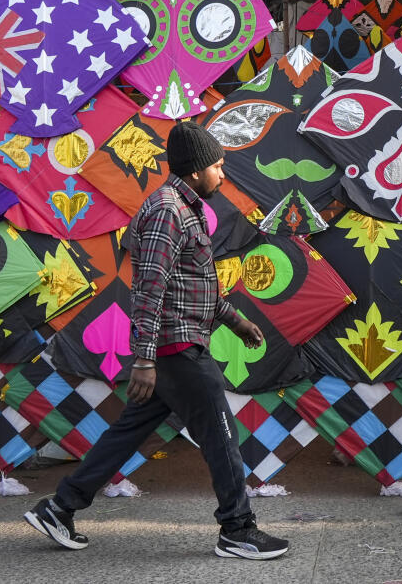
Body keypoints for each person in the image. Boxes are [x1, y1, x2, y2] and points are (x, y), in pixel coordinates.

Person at [25, 121, 289, 561]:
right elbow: (150, 289)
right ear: (196, 169)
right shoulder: (168, 210)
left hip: (173, 347)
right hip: (176, 349)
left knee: (126, 434)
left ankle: (59, 508)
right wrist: (144, 360)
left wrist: (236, 321)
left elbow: (193, 284)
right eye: (218, 167)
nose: (222, 176)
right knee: (222, 436)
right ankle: (238, 529)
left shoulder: (184, 209)